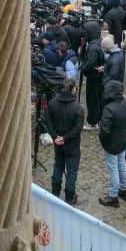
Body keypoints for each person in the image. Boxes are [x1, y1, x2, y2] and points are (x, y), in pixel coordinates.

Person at [45, 77, 83, 205]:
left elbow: (48, 120)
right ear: (72, 89)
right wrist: (64, 138)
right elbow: (78, 128)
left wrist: (55, 136)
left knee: (58, 167)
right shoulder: (77, 108)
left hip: (59, 144)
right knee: (71, 172)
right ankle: (69, 198)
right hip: (71, 146)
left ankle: (55, 194)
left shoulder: (52, 103)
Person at [97, 79, 126, 207]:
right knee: (122, 164)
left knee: (113, 169)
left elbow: (104, 131)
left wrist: (103, 140)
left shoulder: (109, 108)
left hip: (112, 144)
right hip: (123, 141)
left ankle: (113, 197)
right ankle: (124, 190)